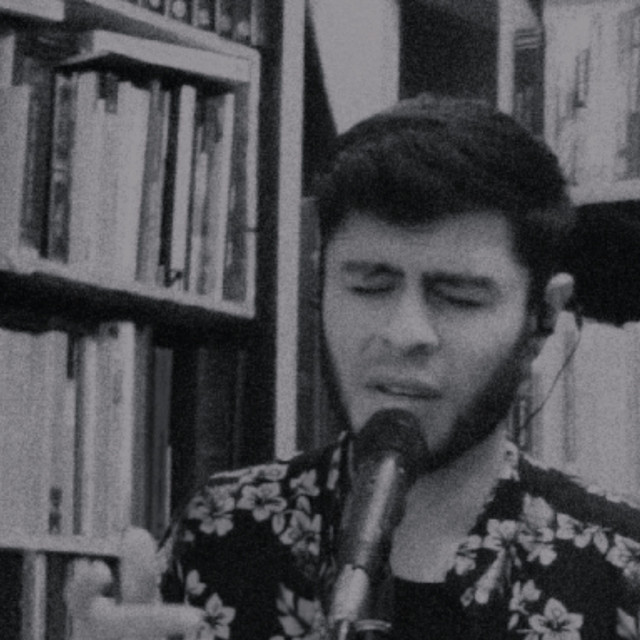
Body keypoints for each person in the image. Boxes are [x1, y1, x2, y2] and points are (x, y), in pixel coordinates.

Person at [158, 94, 640, 640]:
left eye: (459, 298)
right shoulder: (220, 529)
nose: (405, 333)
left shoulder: (621, 565)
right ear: (320, 285)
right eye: (369, 286)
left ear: (544, 316)